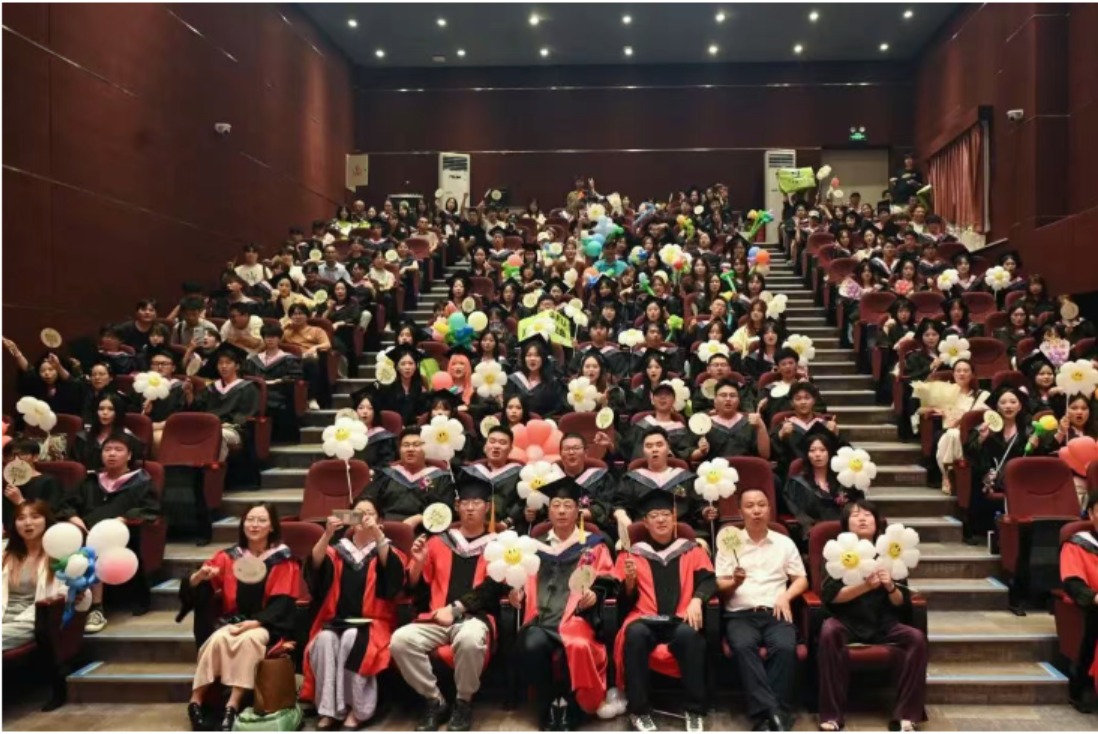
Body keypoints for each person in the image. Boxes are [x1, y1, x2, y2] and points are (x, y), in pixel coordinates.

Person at [476, 475, 618, 730]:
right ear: (548, 510)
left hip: (576, 620)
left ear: (577, 511)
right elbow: (518, 578)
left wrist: (596, 593)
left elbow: (608, 577)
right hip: (539, 619)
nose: (561, 511)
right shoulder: (533, 547)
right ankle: (549, 703)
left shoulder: (594, 545)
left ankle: (574, 707)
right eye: (556, 505)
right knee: (530, 643)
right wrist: (515, 592)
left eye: (568, 505)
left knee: (579, 646)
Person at [390, 475, 500, 732]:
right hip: (435, 619)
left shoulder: (497, 546)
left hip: (475, 619)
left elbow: (492, 589)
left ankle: (463, 702)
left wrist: (456, 608)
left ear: (487, 507)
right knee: (400, 641)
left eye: (476, 503)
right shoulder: (438, 541)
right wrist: (417, 563)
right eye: (465, 503)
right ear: (457, 506)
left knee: (470, 640)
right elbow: (414, 588)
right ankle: (435, 700)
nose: (470, 508)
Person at [181, 503, 300, 732]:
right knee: (218, 639)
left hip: (266, 623)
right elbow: (200, 588)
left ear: (272, 527)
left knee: (250, 640)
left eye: (261, 520)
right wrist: (199, 577)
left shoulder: (283, 560)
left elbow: (283, 601)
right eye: (250, 520)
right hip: (233, 620)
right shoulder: (229, 556)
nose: (254, 525)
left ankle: (232, 705)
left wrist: (256, 622)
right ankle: (195, 701)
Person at [817, 500, 927, 732]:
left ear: (877, 523)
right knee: (828, 630)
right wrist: (866, 586)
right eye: (855, 515)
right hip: (847, 621)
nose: (862, 518)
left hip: (883, 622)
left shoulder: (890, 553)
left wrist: (890, 587)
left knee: (915, 637)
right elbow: (832, 597)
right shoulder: (839, 552)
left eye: (868, 514)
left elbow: (900, 602)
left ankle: (906, 715)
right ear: (846, 524)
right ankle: (832, 715)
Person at [614, 488, 715, 733]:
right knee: (635, 634)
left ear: (674, 518)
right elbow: (621, 601)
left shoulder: (692, 550)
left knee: (689, 635)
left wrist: (697, 600)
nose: (660, 519)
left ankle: (695, 710)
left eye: (665, 514)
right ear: (645, 522)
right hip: (644, 617)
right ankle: (639, 711)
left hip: (680, 617)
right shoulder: (631, 554)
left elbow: (708, 580)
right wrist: (629, 583)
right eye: (654, 516)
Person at [301, 498, 406, 730]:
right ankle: (329, 709)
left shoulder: (386, 550)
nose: (364, 517)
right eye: (358, 513)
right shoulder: (338, 551)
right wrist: (327, 534)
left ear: (380, 520)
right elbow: (315, 567)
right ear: (349, 519)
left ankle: (358, 709)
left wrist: (377, 534)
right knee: (324, 640)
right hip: (334, 621)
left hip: (374, 623)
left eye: (369, 513)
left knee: (352, 638)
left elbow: (394, 579)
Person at [717, 487, 808, 732]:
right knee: (743, 646)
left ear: (769, 509)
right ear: (740, 511)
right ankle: (777, 713)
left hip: (776, 612)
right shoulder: (730, 542)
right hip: (740, 614)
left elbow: (801, 579)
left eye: (761, 505)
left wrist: (786, 596)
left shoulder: (784, 542)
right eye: (749, 506)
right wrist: (734, 582)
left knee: (785, 647)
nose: (756, 510)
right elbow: (719, 584)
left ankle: (766, 718)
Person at [57, 434, 160, 629]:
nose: (111, 454)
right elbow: (67, 504)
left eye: (118, 450)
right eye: (107, 450)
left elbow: (150, 509)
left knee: (97, 547)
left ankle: (96, 608)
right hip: (85, 532)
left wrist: (122, 519)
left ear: (129, 455)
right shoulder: (91, 480)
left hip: (120, 537)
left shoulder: (141, 481)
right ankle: (62, 603)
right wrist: (73, 518)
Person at [962, 386, 1031, 546]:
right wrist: (981, 438)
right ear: (997, 407)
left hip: (1017, 477)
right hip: (988, 474)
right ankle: (977, 530)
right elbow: (970, 452)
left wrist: (1033, 445)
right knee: (976, 477)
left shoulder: (1028, 430)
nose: (1008, 406)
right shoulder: (985, 427)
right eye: (1003, 402)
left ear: (1020, 406)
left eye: (1013, 402)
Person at [613, 427, 705, 542]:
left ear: (668, 448)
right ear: (643, 451)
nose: (654, 450)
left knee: (702, 544)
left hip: (681, 533)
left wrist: (705, 511)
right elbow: (620, 504)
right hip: (642, 534)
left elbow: (698, 506)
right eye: (649, 446)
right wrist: (621, 514)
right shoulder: (632, 479)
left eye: (659, 445)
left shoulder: (685, 478)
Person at [2, 501, 70, 654]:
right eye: (21, 518)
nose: (27, 523)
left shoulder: (59, 555)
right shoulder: (4, 551)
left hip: (29, 620)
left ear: (46, 520)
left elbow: (68, 591)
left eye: (35, 516)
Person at [357, 428, 455, 527]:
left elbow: (445, 511)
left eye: (416, 445)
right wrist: (364, 506)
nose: (410, 449)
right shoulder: (387, 475)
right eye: (406, 445)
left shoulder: (441, 478)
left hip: (424, 530)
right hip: (385, 528)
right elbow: (368, 498)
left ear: (427, 449)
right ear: (399, 450)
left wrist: (419, 518)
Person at [782, 428, 862, 543]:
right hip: (813, 535)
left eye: (822, 450)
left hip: (846, 533)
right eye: (812, 450)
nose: (817, 454)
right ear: (807, 455)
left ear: (829, 453)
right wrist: (811, 527)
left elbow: (857, 506)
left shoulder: (844, 481)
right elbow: (797, 512)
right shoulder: (797, 484)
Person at [185, 343, 261, 462]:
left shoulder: (247, 388)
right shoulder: (211, 388)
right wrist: (189, 394)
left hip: (232, 430)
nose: (224, 366)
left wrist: (224, 424)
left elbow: (246, 414)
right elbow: (197, 409)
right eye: (220, 363)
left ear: (237, 366)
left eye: (228, 363)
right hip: (209, 426)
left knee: (217, 435)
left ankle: (214, 469)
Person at [925, 359, 990, 493]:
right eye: (958, 371)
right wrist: (935, 409)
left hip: (971, 435)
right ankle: (949, 476)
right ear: (953, 374)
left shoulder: (982, 395)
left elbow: (988, 416)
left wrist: (962, 420)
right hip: (946, 432)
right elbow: (922, 410)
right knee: (951, 434)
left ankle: (946, 476)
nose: (962, 374)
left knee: (953, 434)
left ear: (972, 374)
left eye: (966, 371)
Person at [1059, 491, 1098, 710]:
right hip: (1092, 606)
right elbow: (1072, 582)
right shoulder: (1077, 544)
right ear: (1091, 514)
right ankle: (1083, 687)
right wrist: (1094, 597)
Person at [244, 325, 303, 443]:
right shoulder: (254, 360)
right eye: (267, 337)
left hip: (280, 391)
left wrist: (278, 381)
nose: (270, 339)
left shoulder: (288, 359)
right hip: (258, 391)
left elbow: (295, 377)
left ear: (279, 339)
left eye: (273, 337)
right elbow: (247, 376)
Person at [3, 437, 66, 533]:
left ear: (35, 457)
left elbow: (51, 516)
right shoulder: (5, 483)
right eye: (10, 455)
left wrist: (20, 501)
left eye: (22, 454)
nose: (16, 460)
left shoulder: (48, 482)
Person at [70, 393, 144, 471]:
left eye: (111, 409)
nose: (105, 413)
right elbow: (75, 467)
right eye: (101, 409)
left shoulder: (129, 439)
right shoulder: (82, 438)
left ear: (118, 412)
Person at [702, 379, 770, 460]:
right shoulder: (704, 423)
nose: (728, 399)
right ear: (715, 400)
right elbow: (693, 455)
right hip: (715, 467)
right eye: (723, 395)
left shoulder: (751, 421)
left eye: (732, 395)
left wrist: (761, 426)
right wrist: (701, 450)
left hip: (746, 466)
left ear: (739, 400)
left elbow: (765, 455)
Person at [504, 335, 564, 418]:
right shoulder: (514, 380)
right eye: (528, 355)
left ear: (543, 359)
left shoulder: (553, 383)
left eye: (537, 355)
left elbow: (556, 410)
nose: (532, 359)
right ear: (523, 359)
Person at [377, 345, 427, 427]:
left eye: (411, 363)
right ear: (397, 367)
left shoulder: (421, 387)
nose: (407, 367)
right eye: (403, 364)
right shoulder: (387, 388)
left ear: (416, 366)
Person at [346, 387, 397, 468]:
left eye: (370, 408)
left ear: (375, 412)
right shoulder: (347, 435)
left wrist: (372, 472)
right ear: (355, 411)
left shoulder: (382, 438)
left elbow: (386, 464)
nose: (365, 412)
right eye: (361, 408)